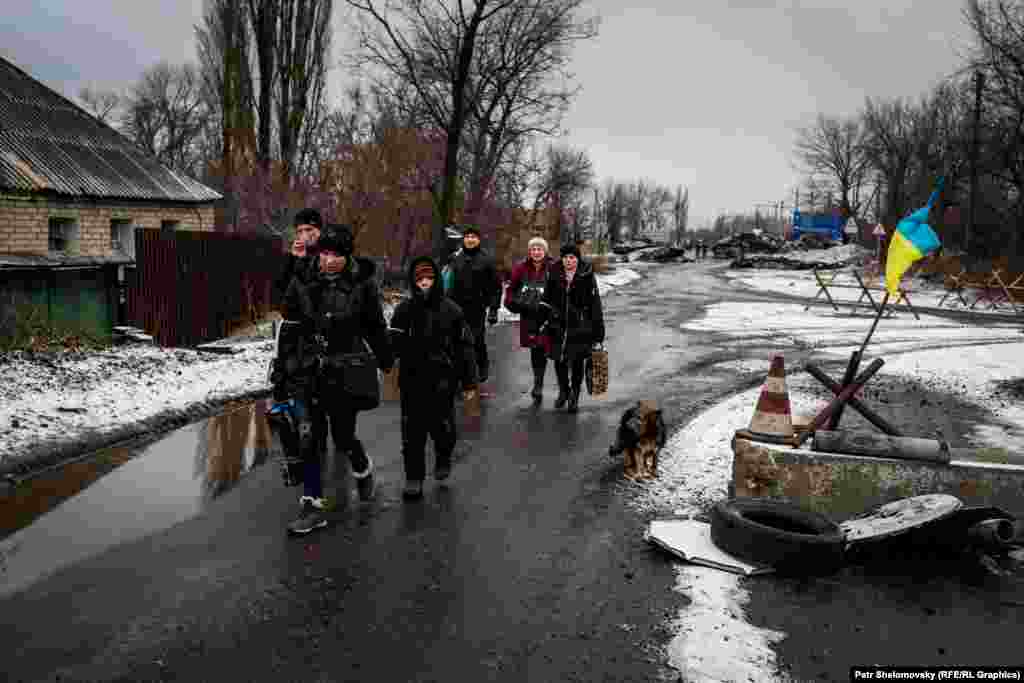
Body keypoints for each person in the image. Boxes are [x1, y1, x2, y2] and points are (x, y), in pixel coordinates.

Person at [278, 223, 394, 535]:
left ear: (347, 256)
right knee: (311, 438)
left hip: (346, 367)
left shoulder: (362, 284)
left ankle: (362, 468)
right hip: (309, 367)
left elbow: (374, 325)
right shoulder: (305, 276)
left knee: (343, 437)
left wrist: (385, 359)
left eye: (335, 255)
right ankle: (312, 505)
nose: (327, 260)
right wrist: (296, 270)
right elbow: (287, 314)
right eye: (324, 253)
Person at [388, 256, 478, 500]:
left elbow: (465, 348)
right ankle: (414, 477)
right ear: (413, 282)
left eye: (428, 278)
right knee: (412, 431)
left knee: (443, 428)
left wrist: (469, 382)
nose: (424, 283)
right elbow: (392, 341)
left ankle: (443, 456)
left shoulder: (451, 310)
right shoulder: (404, 309)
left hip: (443, 380)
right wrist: (386, 361)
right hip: (412, 379)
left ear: (436, 279)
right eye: (420, 279)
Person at [542, 243, 605, 414]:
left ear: (577, 259)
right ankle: (564, 390)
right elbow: (546, 299)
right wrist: (543, 321)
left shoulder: (586, 274)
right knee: (559, 360)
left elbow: (595, 304)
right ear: (561, 259)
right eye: (565, 257)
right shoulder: (553, 273)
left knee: (577, 362)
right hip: (558, 324)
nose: (568, 261)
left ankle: (574, 396)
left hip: (580, 325)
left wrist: (598, 334)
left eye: (572, 258)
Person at [445, 225, 501, 383]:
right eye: (467, 236)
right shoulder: (455, 259)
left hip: (477, 307)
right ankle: (458, 372)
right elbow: (448, 282)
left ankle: (482, 365)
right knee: (455, 340)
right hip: (456, 306)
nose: (470, 239)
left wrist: (494, 309)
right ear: (463, 239)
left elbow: (496, 287)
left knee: (476, 339)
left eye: (473, 237)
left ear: (479, 240)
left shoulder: (487, 260)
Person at [504, 236, 555, 403]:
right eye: (533, 249)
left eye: (539, 249)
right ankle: (538, 384)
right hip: (529, 315)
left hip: (548, 316)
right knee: (536, 349)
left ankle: (564, 387)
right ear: (529, 251)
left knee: (551, 349)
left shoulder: (553, 267)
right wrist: (513, 303)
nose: (536, 252)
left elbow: (560, 289)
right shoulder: (521, 268)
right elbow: (511, 289)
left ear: (545, 251)